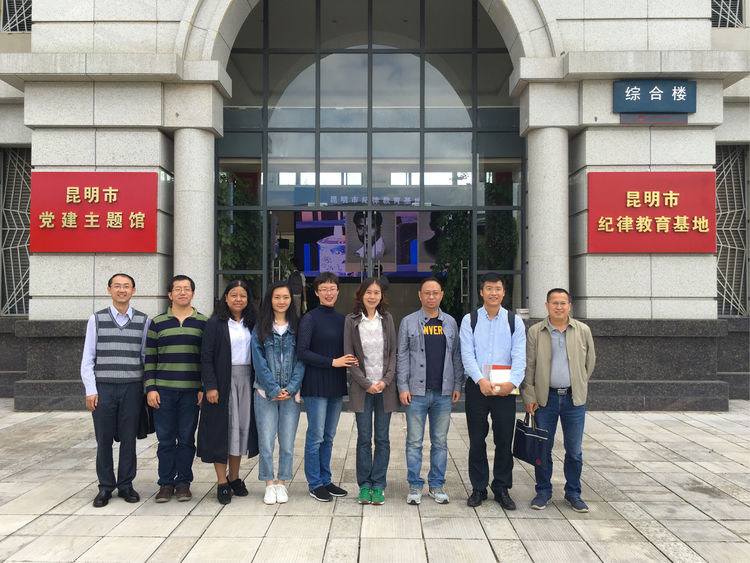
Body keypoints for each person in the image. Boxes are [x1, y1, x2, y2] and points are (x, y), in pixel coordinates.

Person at [520, 288, 596, 513]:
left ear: (569, 306)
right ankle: (543, 491)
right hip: (545, 400)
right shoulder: (536, 331)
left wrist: (579, 384)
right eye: (554, 303)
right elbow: (529, 365)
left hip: (574, 399)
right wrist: (529, 395)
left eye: (563, 303)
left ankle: (573, 492)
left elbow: (590, 362)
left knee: (574, 451)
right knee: (543, 449)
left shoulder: (582, 330)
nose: (559, 307)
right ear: (547, 306)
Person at [80, 273, 149, 508]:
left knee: (129, 439)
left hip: (132, 388)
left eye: (126, 286)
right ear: (109, 289)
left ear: (133, 290)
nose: (122, 290)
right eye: (117, 286)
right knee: (104, 440)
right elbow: (88, 358)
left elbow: (144, 357)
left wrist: (145, 388)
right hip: (104, 388)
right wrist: (91, 390)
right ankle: (105, 486)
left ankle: (126, 484)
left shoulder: (143, 320)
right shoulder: (96, 319)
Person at [460, 273, 526, 510]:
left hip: (505, 388)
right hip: (477, 387)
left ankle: (501, 487)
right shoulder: (470, 319)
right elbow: (467, 354)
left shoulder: (514, 321)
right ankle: (478, 488)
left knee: (504, 439)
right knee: (477, 439)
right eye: (489, 288)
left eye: (498, 289)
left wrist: (512, 383)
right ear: (481, 292)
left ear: (503, 292)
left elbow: (520, 355)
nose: (493, 293)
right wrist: (480, 380)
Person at [397, 277, 463, 505]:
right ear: (420, 295)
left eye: (435, 293)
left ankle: (437, 485)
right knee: (414, 442)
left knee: (440, 442)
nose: (431, 297)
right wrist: (402, 386)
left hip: (443, 392)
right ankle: (415, 485)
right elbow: (402, 355)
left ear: (441, 295)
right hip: (416, 392)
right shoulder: (408, 322)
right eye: (427, 293)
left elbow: (456, 355)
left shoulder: (450, 322)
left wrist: (457, 384)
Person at [145, 275, 208, 502]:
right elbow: (149, 358)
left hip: (191, 392)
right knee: (165, 440)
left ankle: (183, 483)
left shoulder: (203, 322)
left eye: (187, 289)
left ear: (193, 293)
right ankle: (165, 483)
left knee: (187, 439)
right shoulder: (157, 323)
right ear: (170, 294)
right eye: (178, 289)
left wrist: (203, 387)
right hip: (164, 391)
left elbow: (206, 359)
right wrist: (150, 388)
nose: (183, 292)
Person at [196, 280, 259, 505]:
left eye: (242, 295)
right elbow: (206, 357)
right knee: (222, 431)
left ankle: (234, 477)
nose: (238, 299)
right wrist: (210, 386)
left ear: (248, 299)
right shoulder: (215, 323)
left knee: (240, 430)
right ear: (226, 297)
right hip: (223, 382)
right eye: (234, 295)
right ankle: (222, 481)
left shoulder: (253, 323)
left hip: (247, 381)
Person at [298, 272, 357, 502]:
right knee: (316, 436)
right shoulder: (310, 318)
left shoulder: (343, 320)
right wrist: (333, 362)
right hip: (315, 385)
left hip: (335, 384)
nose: (329, 293)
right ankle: (314, 483)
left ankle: (326, 479)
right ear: (316, 292)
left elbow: (348, 349)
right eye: (324, 289)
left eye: (332, 288)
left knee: (329, 436)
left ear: (338, 291)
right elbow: (302, 352)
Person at [344, 277, 398, 505]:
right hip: (362, 388)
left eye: (376, 293)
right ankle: (364, 486)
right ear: (361, 295)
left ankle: (379, 485)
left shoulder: (387, 319)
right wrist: (367, 384)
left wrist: (385, 381)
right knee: (364, 438)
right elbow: (349, 357)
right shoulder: (351, 320)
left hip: (385, 388)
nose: (372, 296)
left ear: (381, 296)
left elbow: (393, 353)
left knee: (382, 439)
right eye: (369, 292)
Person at [251, 281, 305, 505]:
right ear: (270, 300)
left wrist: (290, 388)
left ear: (291, 300)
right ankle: (269, 484)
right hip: (265, 393)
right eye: (277, 297)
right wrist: (273, 388)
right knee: (266, 442)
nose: (281, 301)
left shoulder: (298, 327)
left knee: (287, 443)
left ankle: (282, 483)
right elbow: (258, 362)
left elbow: (302, 360)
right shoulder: (260, 328)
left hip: (291, 395)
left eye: (285, 297)